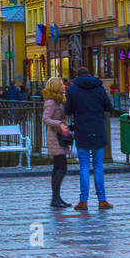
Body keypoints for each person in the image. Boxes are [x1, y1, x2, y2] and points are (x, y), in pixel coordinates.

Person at [64, 67, 113, 211]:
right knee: (98, 167)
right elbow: (108, 107)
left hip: (82, 131)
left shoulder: (72, 90)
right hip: (98, 130)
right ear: (90, 75)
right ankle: (102, 200)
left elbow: (68, 110)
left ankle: (83, 201)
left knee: (84, 167)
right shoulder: (99, 88)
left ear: (77, 76)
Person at [43, 75, 71, 209]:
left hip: (60, 136)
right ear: (55, 86)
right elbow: (46, 119)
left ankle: (56, 197)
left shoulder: (59, 100)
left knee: (58, 167)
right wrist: (59, 124)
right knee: (61, 167)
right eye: (61, 84)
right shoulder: (51, 102)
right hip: (55, 137)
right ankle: (55, 198)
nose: (64, 86)